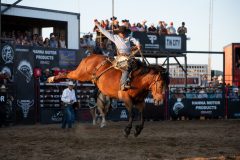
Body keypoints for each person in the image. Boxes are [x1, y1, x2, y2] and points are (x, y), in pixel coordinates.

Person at [94, 19, 141, 91]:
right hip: (121, 57)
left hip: (129, 56)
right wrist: (98, 25)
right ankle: (123, 84)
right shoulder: (115, 37)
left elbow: (135, 40)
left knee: (139, 63)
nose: (123, 34)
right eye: (122, 33)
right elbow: (105, 32)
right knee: (126, 68)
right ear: (119, 33)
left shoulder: (128, 37)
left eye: (124, 33)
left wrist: (138, 44)